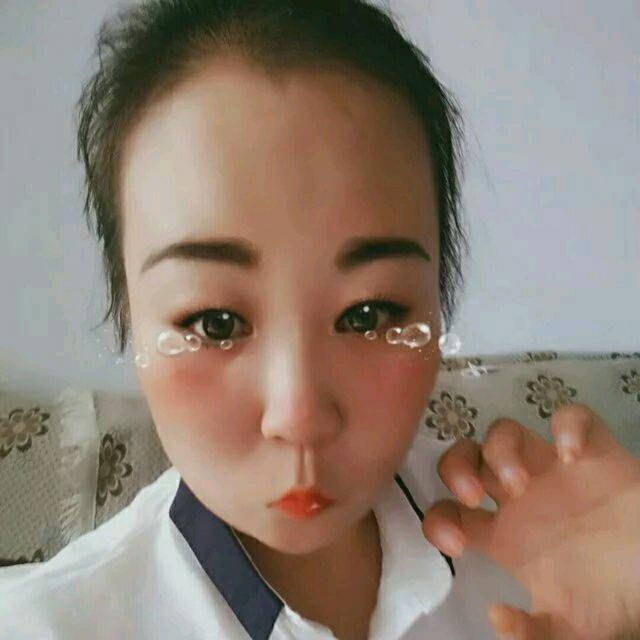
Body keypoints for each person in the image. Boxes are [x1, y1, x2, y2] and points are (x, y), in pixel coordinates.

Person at [2, 1, 640, 639]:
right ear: (130, 317)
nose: (299, 416)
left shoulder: (540, 553)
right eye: (215, 323)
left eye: (368, 313)